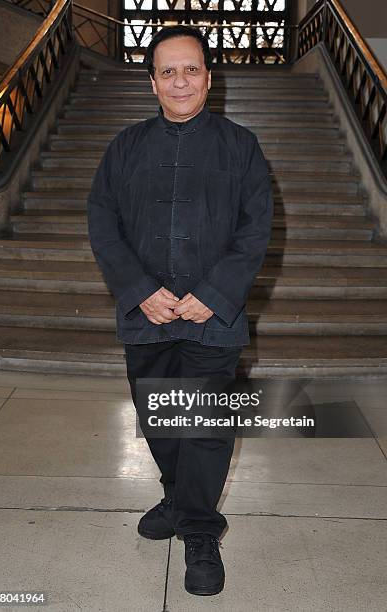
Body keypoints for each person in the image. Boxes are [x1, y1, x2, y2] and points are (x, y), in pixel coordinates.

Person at [87, 24, 273, 596]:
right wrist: (140, 289)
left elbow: (255, 229)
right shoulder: (124, 147)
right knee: (160, 420)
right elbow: (103, 223)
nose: (180, 81)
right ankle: (177, 494)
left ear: (209, 78)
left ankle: (199, 530)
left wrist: (213, 295)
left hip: (212, 319)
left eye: (191, 68)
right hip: (147, 316)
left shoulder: (240, 145)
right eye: (167, 71)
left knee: (205, 427)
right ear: (152, 83)